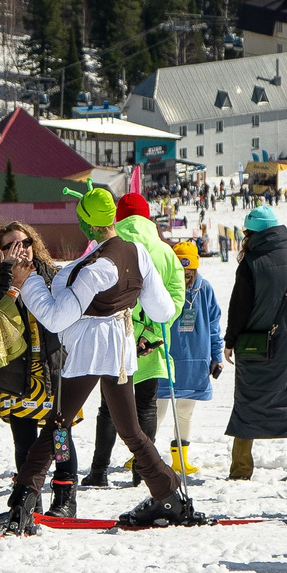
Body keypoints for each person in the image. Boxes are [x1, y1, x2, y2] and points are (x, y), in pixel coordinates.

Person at [7, 187, 188, 532]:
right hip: (120, 350)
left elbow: (57, 319)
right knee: (131, 430)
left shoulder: (94, 268)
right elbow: (163, 310)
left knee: (58, 426)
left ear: (89, 226)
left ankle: (25, 498)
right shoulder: (136, 252)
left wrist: (27, 281)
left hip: (88, 352)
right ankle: (167, 493)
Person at [0, 221, 75, 520]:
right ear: (0, 253)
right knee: (24, 442)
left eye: (24, 243)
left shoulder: (54, 276)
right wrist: (13, 284)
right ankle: (29, 501)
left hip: (53, 369)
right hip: (17, 372)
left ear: (34, 244)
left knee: (60, 437)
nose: (20, 250)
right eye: (10, 246)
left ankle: (65, 499)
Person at [224, 203, 287, 482]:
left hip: (256, 349)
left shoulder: (251, 264)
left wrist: (230, 341)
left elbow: (239, 308)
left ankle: (241, 470)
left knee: (248, 403)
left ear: (253, 234)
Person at [94, 192, 179, 483]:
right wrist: (152, 333)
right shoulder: (166, 251)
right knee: (146, 405)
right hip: (151, 344)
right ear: (147, 216)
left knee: (109, 408)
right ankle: (142, 471)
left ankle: (99, 470)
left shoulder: (108, 247)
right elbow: (174, 298)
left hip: (115, 338)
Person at [156, 239, 224, 479]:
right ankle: (144, 456)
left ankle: (180, 459)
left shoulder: (205, 290)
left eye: (190, 272)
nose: (186, 277)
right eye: (181, 272)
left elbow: (214, 325)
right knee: (157, 411)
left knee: (185, 411)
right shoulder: (162, 286)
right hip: (166, 359)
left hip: (196, 361)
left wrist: (217, 356)